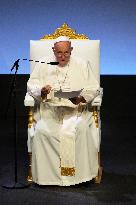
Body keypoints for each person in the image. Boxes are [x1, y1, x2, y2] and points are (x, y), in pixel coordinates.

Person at [27, 36, 100, 186]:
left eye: (66, 53)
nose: (62, 56)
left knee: (79, 129)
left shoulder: (82, 64)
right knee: (42, 131)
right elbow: (31, 85)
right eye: (59, 53)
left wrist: (81, 98)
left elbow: (93, 87)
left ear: (71, 50)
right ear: (53, 50)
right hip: (50, 112)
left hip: (76, 112)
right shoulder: (43, 64)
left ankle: (78, 177)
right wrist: (41, 90)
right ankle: (48, 178)